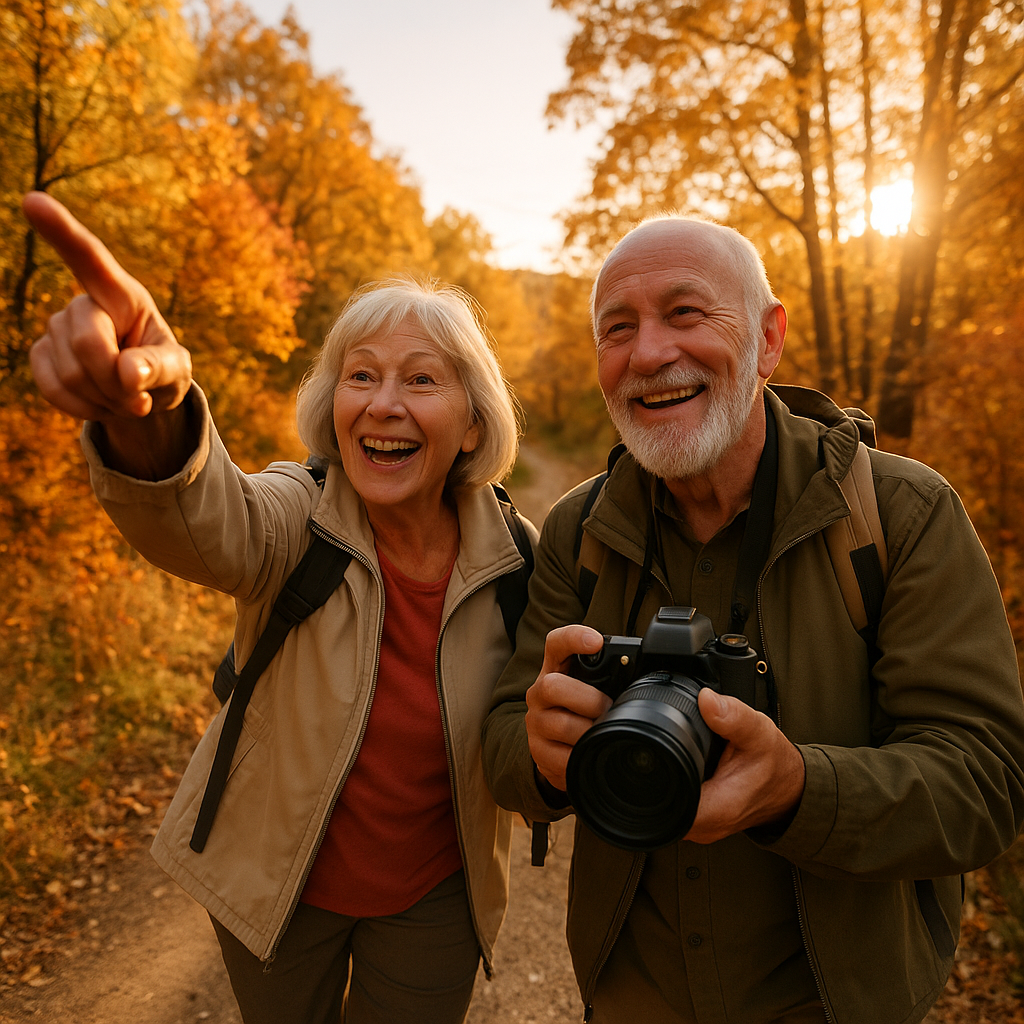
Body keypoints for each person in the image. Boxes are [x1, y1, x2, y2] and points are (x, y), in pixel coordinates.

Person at [481, 215, 1024, 1024]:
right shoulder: (578, 531)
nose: (649, 352)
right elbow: (499, 740)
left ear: (769, 340)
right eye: (617, 329)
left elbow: (985, 781)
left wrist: (798, 789)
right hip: (632, 997)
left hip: (835, 1002)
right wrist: (543, 751)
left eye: (687, 314)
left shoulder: (899, 516)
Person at [23, 191, 537, 1024]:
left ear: (474, 425)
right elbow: (211, 523)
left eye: (420, 379)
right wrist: (150, 422)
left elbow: (531, 730)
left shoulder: (519, 558)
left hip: (433, 897)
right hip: (274, 881)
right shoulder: (299, 514)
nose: (382, 402)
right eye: (359, 376)